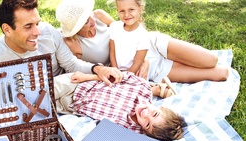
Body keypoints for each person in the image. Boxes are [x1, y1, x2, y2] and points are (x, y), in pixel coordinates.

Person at [56, 0, 229, 83]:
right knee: (220, 73)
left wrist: (144, 59)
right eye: (85, 21)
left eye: (90, 15)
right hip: (137, 70)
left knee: (210, 60)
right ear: (75, 28)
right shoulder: (73, 45)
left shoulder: (100, 15)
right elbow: (83, 69)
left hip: (149, 45)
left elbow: (126, 28)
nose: (92, 20)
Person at [0, 0, 123, 86]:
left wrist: (98, 69)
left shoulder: (47, 31)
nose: (37, 32)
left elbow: (71, 64)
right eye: (28, 26)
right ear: (7, 29)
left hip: (68, 86)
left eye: (37, 23)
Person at [54, 71, 185, 141]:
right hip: (79, 84)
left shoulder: (129, 129)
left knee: (40, 109)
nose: (145, 115)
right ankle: (158, 88)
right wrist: (87, 77)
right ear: (161, 108)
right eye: (154, 114)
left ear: (144, 131)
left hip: (70, 106)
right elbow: (116, 75)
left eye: (147, 124)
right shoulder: (142, 88)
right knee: (41, 92)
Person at [109, 0, 150, 75]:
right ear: (117, 10)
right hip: (116, 71)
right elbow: (112, 52)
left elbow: (137, 63)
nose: (126, 15)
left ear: (141, 9)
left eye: (131, 9)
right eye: (122, 11)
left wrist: (125, 77)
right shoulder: (114, 27)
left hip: (133, 73)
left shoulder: (143, 35)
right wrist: (116, 71)